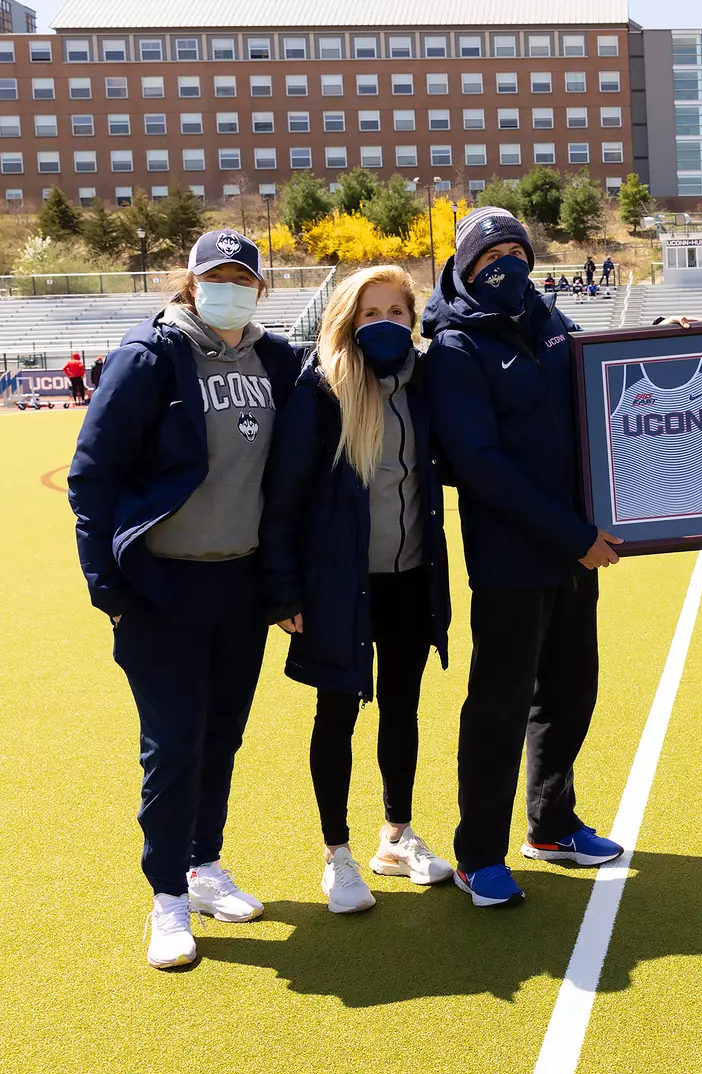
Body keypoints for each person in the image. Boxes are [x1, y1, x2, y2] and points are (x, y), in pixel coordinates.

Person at [66, 228, 300, 968]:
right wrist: (110, 589)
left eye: (243, 278)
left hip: (240, 582)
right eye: (215, 276)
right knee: (173, 746)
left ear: (259, 288)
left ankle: (203, 867)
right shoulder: (150, 356)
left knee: (221, 738)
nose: (229, 288)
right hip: (162, 586)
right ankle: (166, 896)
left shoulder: (274, 359)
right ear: (191, 281)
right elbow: (91, 476)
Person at [423, 207, 624, 909]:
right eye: (489, 257)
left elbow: (605, 383)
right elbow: (481, 465)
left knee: (570, 692)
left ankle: (552, 825)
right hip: (514, 557)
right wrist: (573, 536)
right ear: (465, 268)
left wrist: (666, 340)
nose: (505, 265)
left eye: (515, 251)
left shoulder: (549, 321)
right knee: (500, 708)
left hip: (574, 551)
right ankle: (478, 854)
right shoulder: (454, 348)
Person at [260, 264, 454, 914]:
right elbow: (283, 498)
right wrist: (284, 591)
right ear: (348, 321)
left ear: (412, 320)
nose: (385, 324)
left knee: (402, 707)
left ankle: (396, 837)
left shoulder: (426, 382)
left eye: (396, 313)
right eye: (371, 314)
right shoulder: (320, 390)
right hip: (340, 587)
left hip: (411, 577)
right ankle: (337, 856)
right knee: (337, 712)